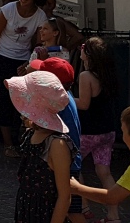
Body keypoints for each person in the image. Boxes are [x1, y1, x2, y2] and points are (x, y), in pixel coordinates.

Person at [0, 0, 50, 157]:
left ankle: (20, 140)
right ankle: (7, 144)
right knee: (2, 100)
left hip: (23, 59)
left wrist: (30, 61)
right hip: (2, 56)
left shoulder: (40, 15)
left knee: (22, 101)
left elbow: (37, 42)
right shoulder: (8, 10)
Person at [6, 70, 75, 223]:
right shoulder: (30, 134)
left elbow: (65, 195)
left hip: (45, 214)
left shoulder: (56, 144)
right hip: (27, 208)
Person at [28, 57, 84, 223]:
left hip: (65, 163)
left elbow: (46, 127)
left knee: (71, 211)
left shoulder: (58, 104)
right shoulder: (66, 95)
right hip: (67, 161)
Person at [74, 37, 121, 223]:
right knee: (105, 172)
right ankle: (113, 216)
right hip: (107, 131)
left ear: (88, 54)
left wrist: (65, 97)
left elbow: (84, 104)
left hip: (89, 131)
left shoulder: (86, 76)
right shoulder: (108, 75)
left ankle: (84, 206)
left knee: (73, 166)